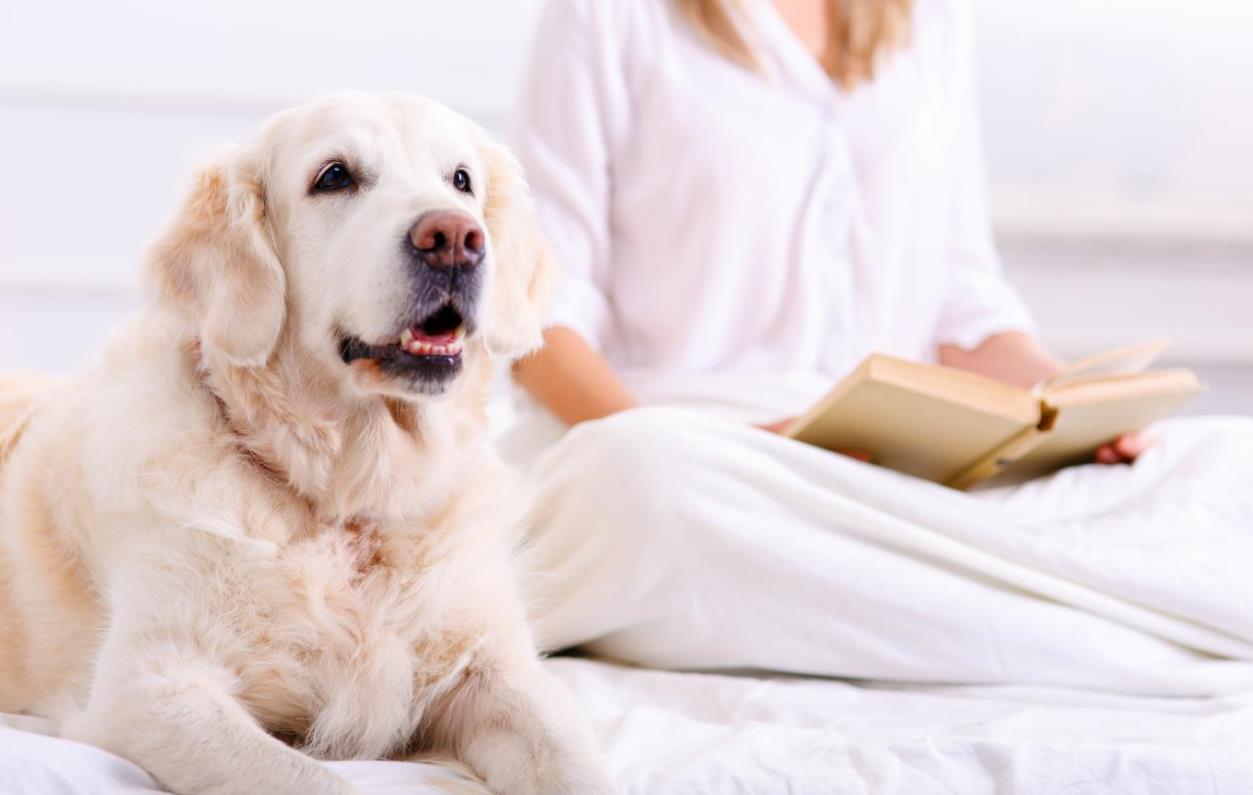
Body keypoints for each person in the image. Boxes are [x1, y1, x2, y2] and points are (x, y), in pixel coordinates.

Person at [502, 0, 1253, 695]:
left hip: (895, 460)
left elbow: (963, 300)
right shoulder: (608, 16)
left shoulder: (925, 18)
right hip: (704, 451)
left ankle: (981, 616)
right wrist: (702, 443)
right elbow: (539, 318)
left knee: (1225, 463)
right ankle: (1116, 633)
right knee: (640, 477)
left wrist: (1067, 403)